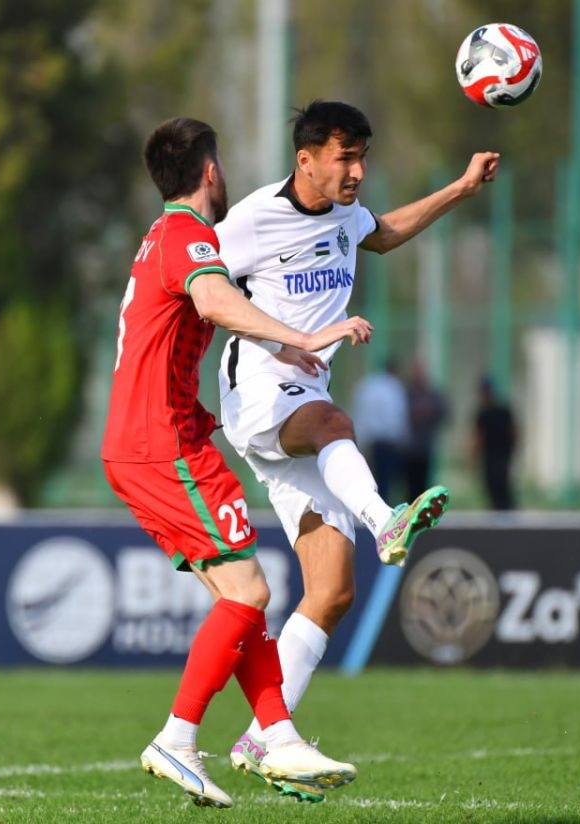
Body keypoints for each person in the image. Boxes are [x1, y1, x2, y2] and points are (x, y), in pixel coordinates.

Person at [214, 101, 499, 795]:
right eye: (345, 157)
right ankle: (386, 522)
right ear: (305, 157)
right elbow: (196, 287)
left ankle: (261, 739)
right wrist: (279, 340)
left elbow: (384, 231)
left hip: (296, 406)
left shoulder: (347, 215)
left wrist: (460, 188)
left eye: (363, 157)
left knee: (333, 592)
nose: (358, 171)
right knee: (335, 425)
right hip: (256, 391)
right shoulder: (251, 220)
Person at [100, 116, 371, 808]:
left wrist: (280, 348)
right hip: (162, 444)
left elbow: (213, 309)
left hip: (153, 440)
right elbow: (216, 299)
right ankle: (177, 738)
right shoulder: (189, 234)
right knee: (250, 593)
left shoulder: (162, 238)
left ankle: (277, 734)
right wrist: (306, 333)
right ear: (211, 174)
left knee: (239, 599)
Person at [350, 358, 409, 499]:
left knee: (367, 477)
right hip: (386, 441)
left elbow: (359, 411)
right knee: (384, 480)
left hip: (367, 438)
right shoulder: (394, 388)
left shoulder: (368, 385)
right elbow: (396, 416)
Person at [403, 360, 448, 502]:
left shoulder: (432, 394)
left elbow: (443, 413)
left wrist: (428, 414)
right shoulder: (406, 393)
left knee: (422, 485)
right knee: (409, 486)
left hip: (425, 447)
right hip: (408, 448)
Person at [472, 375, 518, 510]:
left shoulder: (492, 412)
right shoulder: (493, 412)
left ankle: (504, 509)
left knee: (499, 484)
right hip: (495, 454)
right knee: (497, 485)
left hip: (498, 455)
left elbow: (479, 437)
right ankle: (502, 509)